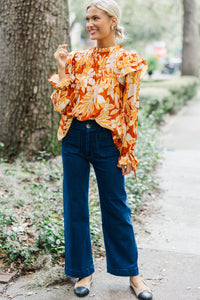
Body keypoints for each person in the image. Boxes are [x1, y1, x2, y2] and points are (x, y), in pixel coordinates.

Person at [49, 0, 152, 299]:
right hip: (75, 138)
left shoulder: (128, 61)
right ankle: (83, 270)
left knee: (116, 206)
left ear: (112, 20)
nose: (90, 24)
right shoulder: (78, 59)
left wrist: (127, 149)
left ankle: (132, 274)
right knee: (75, 206)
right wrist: (62, 69)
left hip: (108, 140)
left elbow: (130, 110)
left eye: (96, 18)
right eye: (87, 19)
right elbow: (62, 105)